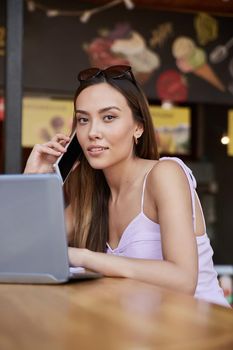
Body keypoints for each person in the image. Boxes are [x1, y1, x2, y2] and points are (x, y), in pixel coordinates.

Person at [24, 65, 230, 307]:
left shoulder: (164, 174)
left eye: (108, 117)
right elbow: (28, 254)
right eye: (83, 119)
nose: (93, 132)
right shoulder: (88, 197)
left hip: (203, 332)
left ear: (138, 127)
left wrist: (83, 257)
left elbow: (183, 279)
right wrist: (34, 181)